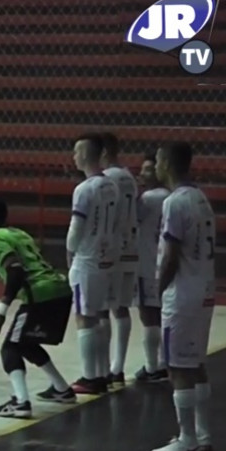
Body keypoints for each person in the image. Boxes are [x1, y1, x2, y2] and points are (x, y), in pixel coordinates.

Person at [0, 199, 76, 418]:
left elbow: (15, 271)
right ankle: (62, 389)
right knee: (26, 343)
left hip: (39, 293)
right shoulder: (18, 233)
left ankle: (21, 402)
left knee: (10, 348)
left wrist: (0, 312)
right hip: (60, 288)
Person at [151, 142, 215, 451]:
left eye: (157, 160)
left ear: (166, 163)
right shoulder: (201, 198)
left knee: (178, 366)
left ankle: (187, 438)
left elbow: (171, 255)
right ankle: (202, 433)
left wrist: (158, 288)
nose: (155, 166)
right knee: (196, 363)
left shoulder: (174, 202)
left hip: (183, 294)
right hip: (204, 290)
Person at [66, 134, 119, 395]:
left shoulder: (84, 189)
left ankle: (90, 377)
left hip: (87, 260)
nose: (74, 157)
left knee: (84, 318)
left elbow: (76, 228)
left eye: (77, 151)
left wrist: (69, 252)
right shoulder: (111, 185)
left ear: (86, 154)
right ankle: (102, 373)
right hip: (107, 257)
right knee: (98, 316)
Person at [100, 133, 139, 387]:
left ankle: (103, 369)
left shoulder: (105, 179)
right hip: (130, 247)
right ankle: (118, 367)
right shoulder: (129, 177)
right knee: (121, 308)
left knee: (102, 308)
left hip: (111, 248)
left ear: (103, 151)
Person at [134, 152, 170, 382]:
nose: (142, 173)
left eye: (148, 169)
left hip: (148, 264)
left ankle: (152, 367)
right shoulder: (172, 196)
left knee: (148, 315)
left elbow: (130, 219)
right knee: (163, 314)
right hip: (165, 262)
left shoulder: (148, 198)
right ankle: (164, 362)